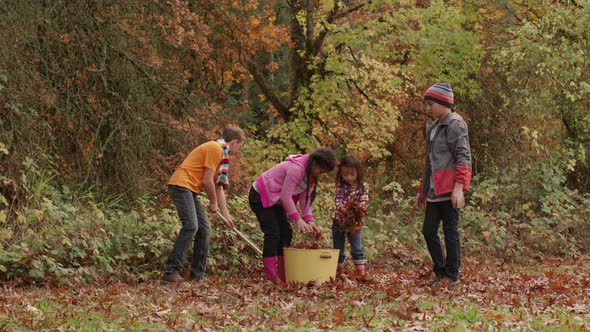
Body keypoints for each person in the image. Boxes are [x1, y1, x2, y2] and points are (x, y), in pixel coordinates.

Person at [162, 125, 246, 283]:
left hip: (190, 189)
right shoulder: (216, 148)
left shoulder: (222, 156)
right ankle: (171, 271)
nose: (239, 150)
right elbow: (207, 181)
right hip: (181, 185)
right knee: (191, 226)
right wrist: (213, 202)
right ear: (234, 142)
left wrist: (227, 216)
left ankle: (197, 275)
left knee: (204, 230)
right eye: (240, 146)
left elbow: (218, 187)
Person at [248, 147, 337, 284]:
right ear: (314, 162)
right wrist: (297, 219)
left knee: (286, 233)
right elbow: (285, 196)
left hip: (276, 200)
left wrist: (310, 221)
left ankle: (283, 273)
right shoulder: (297, 169)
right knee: (273, 232)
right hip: (261, 195)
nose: (319, 173)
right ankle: (272, 275)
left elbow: (304, 199)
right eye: (320, 170)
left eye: (323, 172)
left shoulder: (311, 177)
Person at [415, 83, 472, 287]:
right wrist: (422, 191)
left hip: (449, 190)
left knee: (450, 231)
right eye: (427, 105)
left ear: (443, 103)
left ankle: (452, 275)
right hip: (433, 191)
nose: (428, 109)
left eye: (431, 104)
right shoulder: (432, 127)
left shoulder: (455, 124)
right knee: (428, 230)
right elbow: (428, 162)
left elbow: (463, 157)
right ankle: (440, 272)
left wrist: (459, 188)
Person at [332, 155, 370, 277]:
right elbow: (338, 200)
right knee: (338, 249)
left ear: (358, 172)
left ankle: (361, 274)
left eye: (352, 174)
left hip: (355, 223)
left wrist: (358, 209)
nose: (348, 177)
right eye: (345, 174)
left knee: (357, 248)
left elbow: (364, 201)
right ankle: (337, 273)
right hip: (339, 221)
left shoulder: (363, 186)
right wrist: (343, 209)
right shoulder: (341, 186)